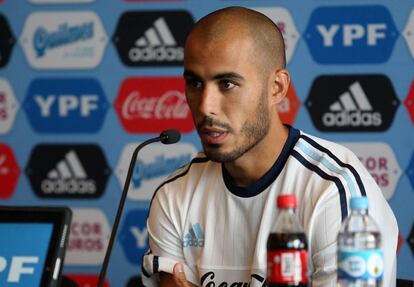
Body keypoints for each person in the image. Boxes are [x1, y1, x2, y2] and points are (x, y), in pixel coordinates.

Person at [141, 6, 398, 287]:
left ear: (276, 87)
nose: (205, 106)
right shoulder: (174, 194)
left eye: (227, 83)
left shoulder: (334, 190)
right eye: (194, 83)